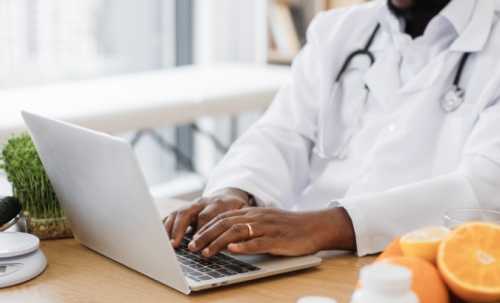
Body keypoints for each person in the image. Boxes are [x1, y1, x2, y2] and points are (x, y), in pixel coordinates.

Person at [165, 0, 500, 258]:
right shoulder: (339, 31)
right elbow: (282, 132)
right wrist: (235, 192)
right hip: (301, 263)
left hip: (413, 268)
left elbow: (483, 190)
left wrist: (328, 226)